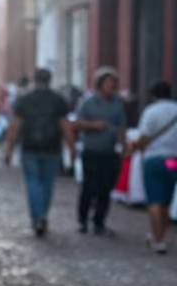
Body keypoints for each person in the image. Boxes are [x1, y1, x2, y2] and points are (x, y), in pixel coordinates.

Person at [4, 68, 74, 235]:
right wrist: (71, 147)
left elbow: (15, 127)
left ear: (34, 80)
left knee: (33, 182)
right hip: (52, 146)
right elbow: (65, 126)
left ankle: (38, 217)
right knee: (48, 182)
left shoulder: (24, 100)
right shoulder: (58, 100)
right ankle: (42, 214)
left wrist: (9, 149)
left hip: (30, 146)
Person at [74, 67, 126, 235]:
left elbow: (121, 127)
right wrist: (94, 125)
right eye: (107, 83)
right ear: (100, 84)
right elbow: (77, 123)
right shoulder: (88, 102)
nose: (110, 86)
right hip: (91, 149)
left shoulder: (117, 104)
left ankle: (99, 221)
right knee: (89, 186)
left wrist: (123, 145)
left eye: (113, 83)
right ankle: (82, 220)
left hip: (109, 151)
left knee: (105, 188)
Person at [135, 79, 177, 254]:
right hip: (173, 160)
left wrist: (137, 147)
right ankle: (162, 235)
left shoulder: (150, 111)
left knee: (154, 199)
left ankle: (157, 238)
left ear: (153, 95)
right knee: (166, 200)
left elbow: (144, 136)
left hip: (154, 158)